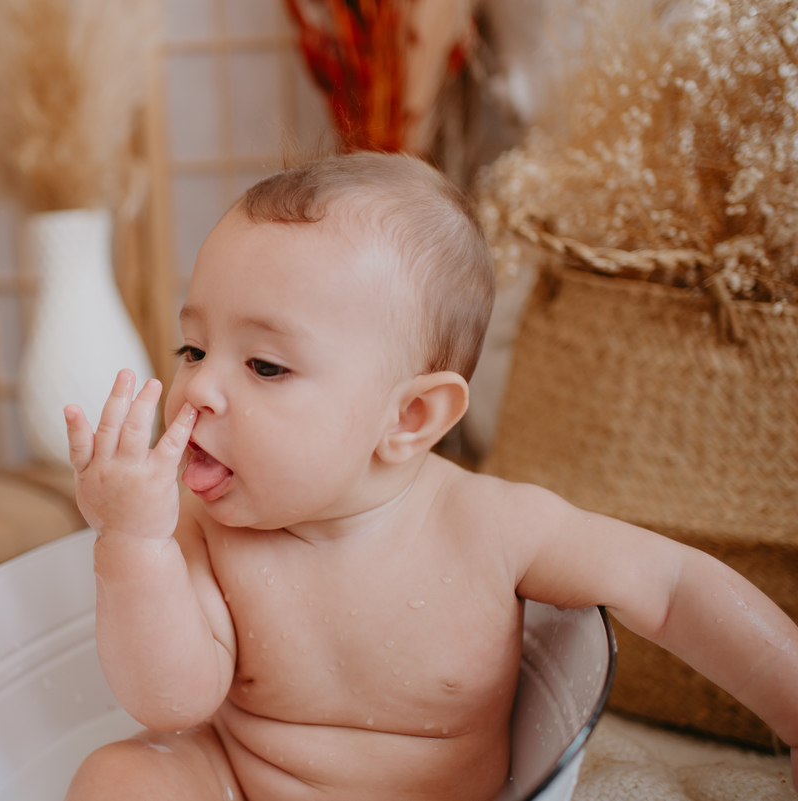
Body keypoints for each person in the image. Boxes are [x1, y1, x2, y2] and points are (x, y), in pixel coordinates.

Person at [60, 152, 798, 801]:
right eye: (192, 348)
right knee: (119, 779)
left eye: (264, 365)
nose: (199, 390)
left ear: (410, 415)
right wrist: (132, 543)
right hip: (241, 781)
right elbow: (170, 700)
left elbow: (669, 587)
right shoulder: (202, 531)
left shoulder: (492, 526)